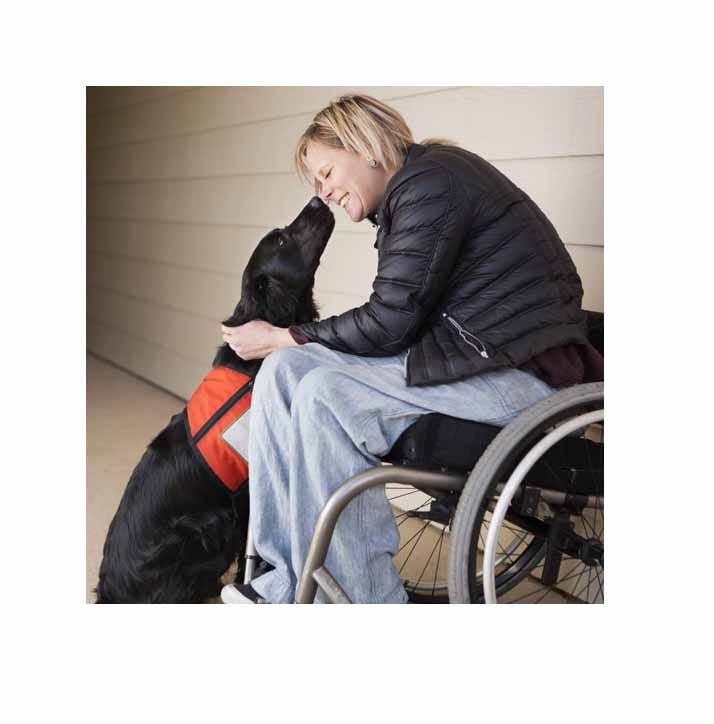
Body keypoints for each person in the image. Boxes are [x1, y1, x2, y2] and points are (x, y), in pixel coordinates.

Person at [220, 94, 603, 604]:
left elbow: (389, 321)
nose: (324, 191)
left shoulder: (432, 184)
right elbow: (399, 318)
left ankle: (369, 600)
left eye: (328, 171)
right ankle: (285, 578)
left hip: (522, 380)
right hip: (469, 362)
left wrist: (285, 333)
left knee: (323, 393)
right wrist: (287, 347)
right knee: (285, 371)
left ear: (365, 148)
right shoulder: (415, 190)